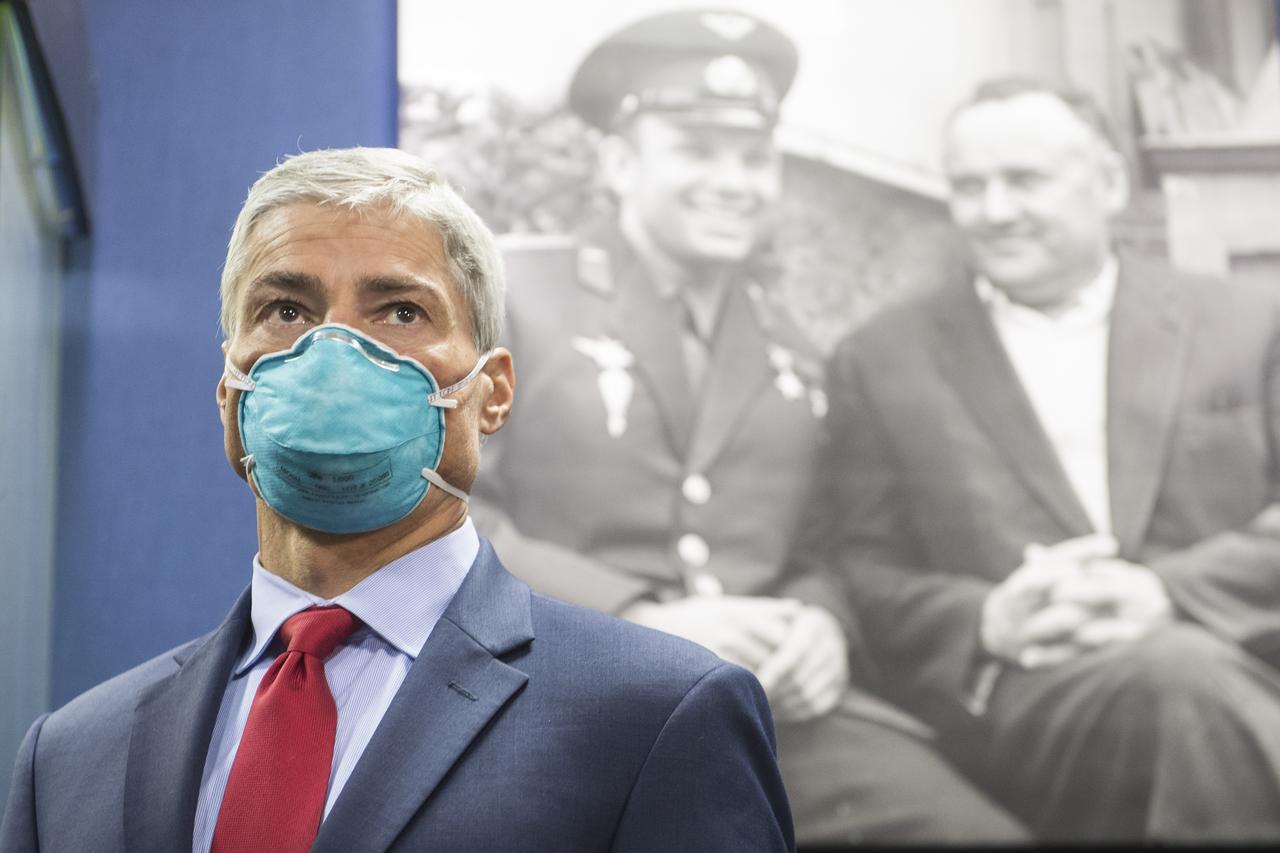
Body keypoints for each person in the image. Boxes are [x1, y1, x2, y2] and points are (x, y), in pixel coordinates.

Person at [0, 148, 796, 853]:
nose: (335, 350)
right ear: (227, 386)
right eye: (286, 310)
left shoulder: (657, 719)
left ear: (492, 392)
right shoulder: (69, 758)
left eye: (400, 310)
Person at [471, 9, 1026, 845]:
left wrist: (819, 625)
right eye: (696, 151)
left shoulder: (792, 347)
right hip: (553, 698)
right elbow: (440, 519)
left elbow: (818, 544)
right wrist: (638, 619)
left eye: (754, 158)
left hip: (758, 710)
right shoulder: (508, 300)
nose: (733, 182)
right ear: (620, 163)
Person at [800, 75, 1280, 842]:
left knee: (1188, 678)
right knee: (1179, 685)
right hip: (1032, 698)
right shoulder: (883, 359)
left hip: (1241, 658)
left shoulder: (1249, 322)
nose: (995, 211)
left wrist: (1168, 592)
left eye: (1024, 180)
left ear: (1110, 183)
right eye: (969, 186)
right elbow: (858, 563)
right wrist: (988, 618)